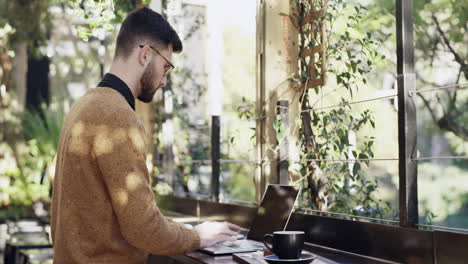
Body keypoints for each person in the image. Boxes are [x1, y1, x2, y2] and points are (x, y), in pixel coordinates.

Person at [51, 7, 241, 263]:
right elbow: (144, 229)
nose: (164, 80)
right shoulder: (117, 117)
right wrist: (197, 236)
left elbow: (122, 215)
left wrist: (184, 231)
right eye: (166, 67)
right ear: (145, 54)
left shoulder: (83, 107)